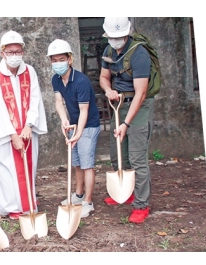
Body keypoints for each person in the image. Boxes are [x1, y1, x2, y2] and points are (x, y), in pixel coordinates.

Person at [0, 30, 47, 219]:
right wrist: (13, 135)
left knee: (29, 164)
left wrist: (29, 125)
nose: (14, 56)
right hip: (5, 132)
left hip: (27, 129)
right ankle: (11, 206)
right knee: (6, 168)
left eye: (18, 51)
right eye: (10, 52)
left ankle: (27, 203)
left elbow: (35, 98)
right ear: (2, 53)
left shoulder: (30, 72)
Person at [99, 17, 154, 224]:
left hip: (137, 106)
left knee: (137, 157)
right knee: (118, 153)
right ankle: (127, 192)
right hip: (118, 104)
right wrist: (109, 90)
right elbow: (104, 78)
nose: (115, 40)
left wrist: (126, 123)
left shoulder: (140, 54)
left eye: (118, 37)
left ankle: (141, 204)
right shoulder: (108, 51)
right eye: (111, 37)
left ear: (127, 34)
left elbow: (141, 94)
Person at [47, 39, 101, 218]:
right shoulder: (56, 79)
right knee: (77, 162)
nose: (57, 63)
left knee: (87, 164)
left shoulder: (81, 81)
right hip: (74, 123)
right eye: (54, 60)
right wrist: (64, 121)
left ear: (69, 59)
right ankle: (78, 195)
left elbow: (84, 110)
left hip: (89, 124)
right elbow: (58, 102)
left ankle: (88, 201)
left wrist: (78, 133)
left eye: (61, 59)